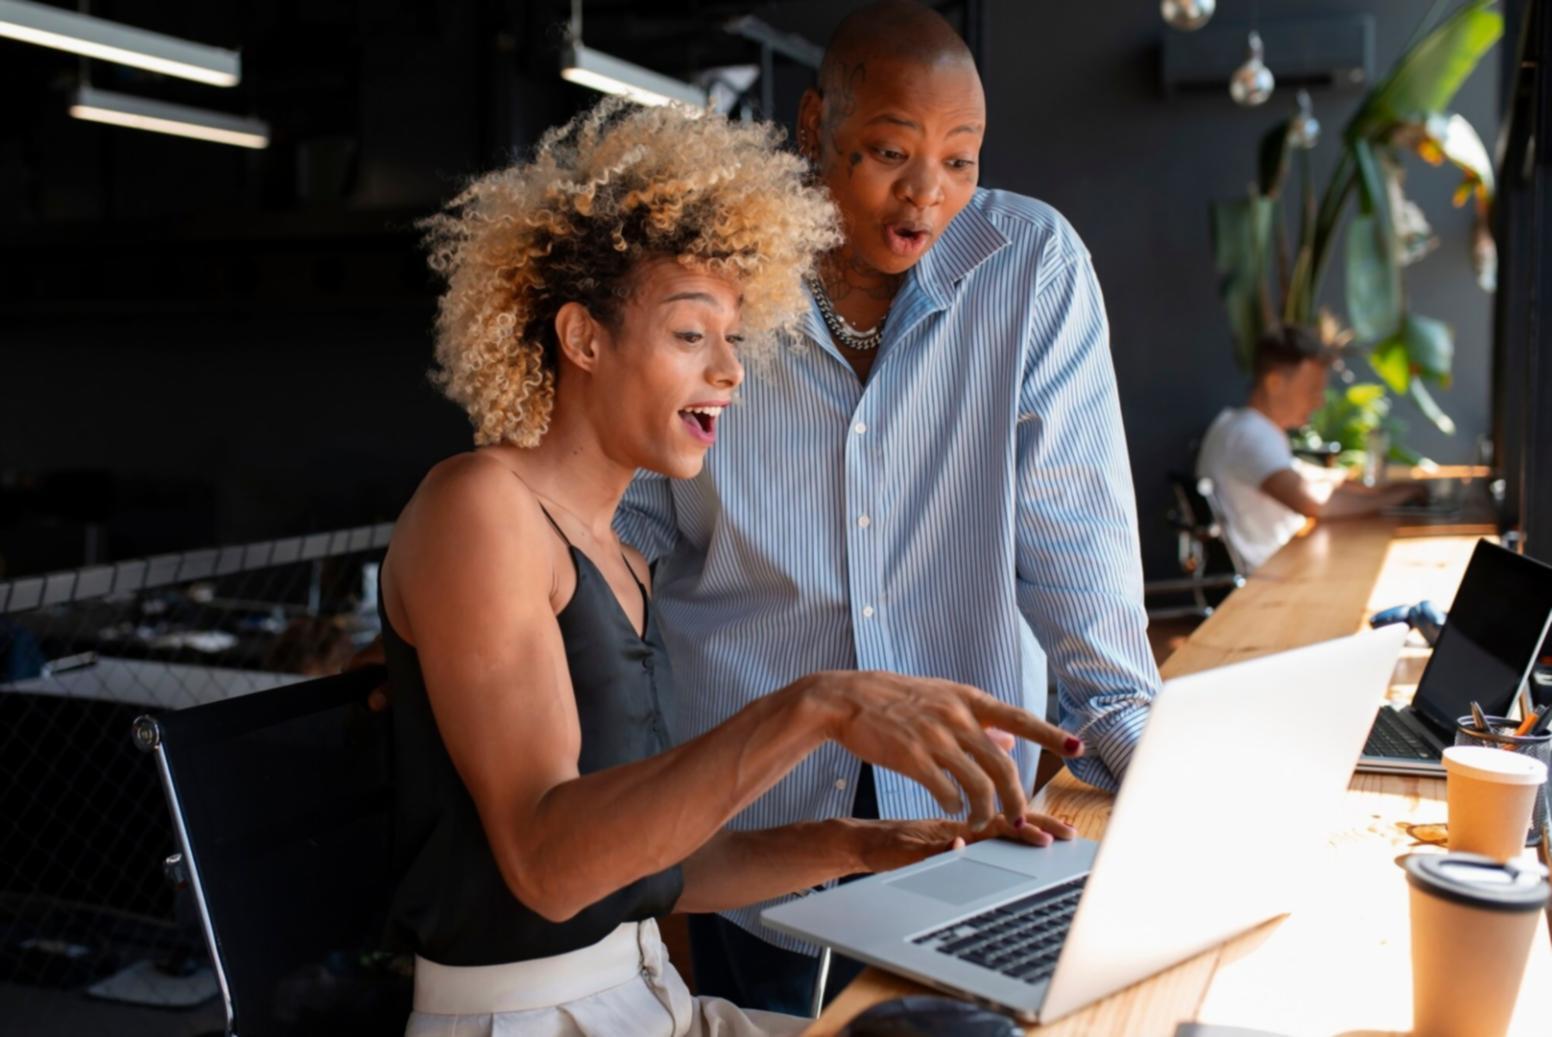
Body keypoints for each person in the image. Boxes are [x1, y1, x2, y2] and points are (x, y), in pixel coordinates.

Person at [380, 99, 1083, 1037]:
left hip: (648, 1003)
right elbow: (550, 867)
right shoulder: (481, 508)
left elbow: (646, 864)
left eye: (736, 338)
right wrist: (817, 705)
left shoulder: (617, 553)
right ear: (584, 337)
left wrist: (872, 848)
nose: (731, 372)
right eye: (689, 335)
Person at [616, 0, 1160, 1014]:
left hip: (969, 812)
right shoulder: (708, 279)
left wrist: (1143, 745)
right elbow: (623, 526)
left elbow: (1070, 527)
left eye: (962, 159)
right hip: (752, 812)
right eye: (889, 151)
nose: (927, 193)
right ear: (815, 122)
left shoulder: (1029, 266)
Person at [1196, 324, 1423, 573]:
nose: (1320, 401)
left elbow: (1301, 475)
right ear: (1274, 383)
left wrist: (1348, 482)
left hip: (1282, 565)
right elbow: (1313, 503)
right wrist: (1399, 496)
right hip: (1271, 578)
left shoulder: (1241, 426)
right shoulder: (1249, 435)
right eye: (1312, 390)